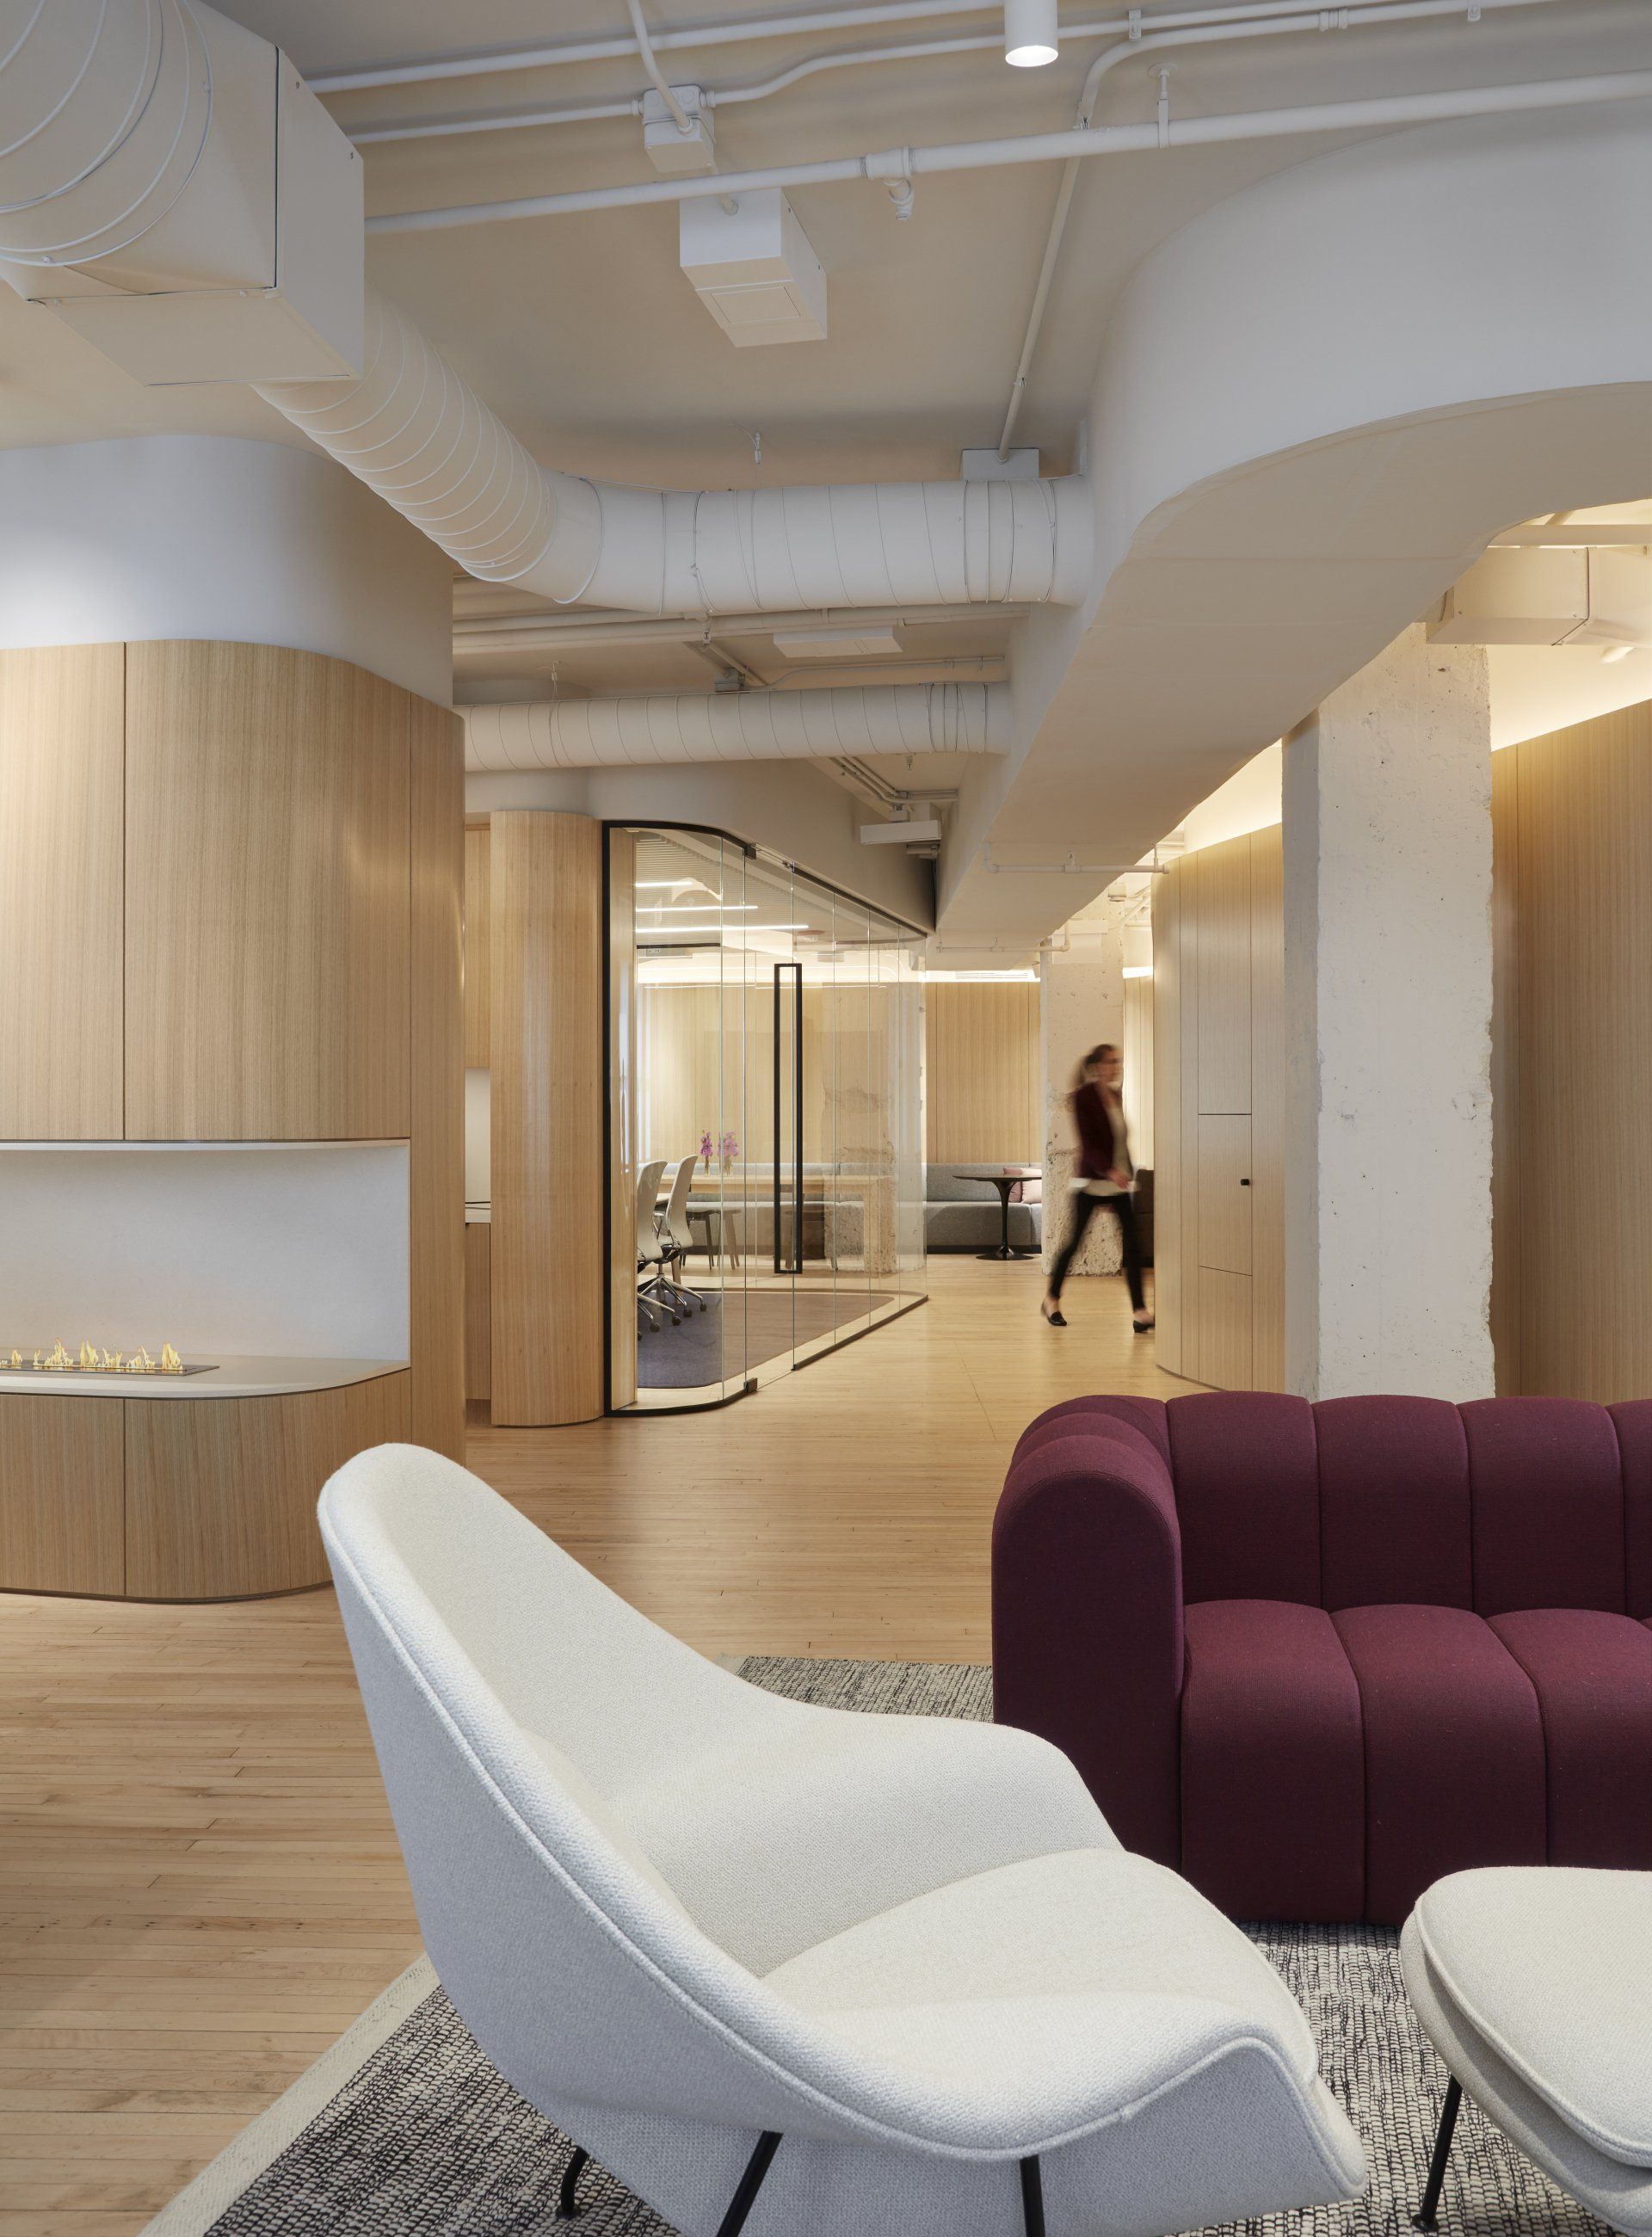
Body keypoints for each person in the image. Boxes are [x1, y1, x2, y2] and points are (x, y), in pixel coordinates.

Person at [1041, 1043, 1152, 1332]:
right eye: (1112, 1061)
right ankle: (1052, 1299)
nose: (1117, 1066)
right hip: (1091, 1182)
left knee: (1133, 1247)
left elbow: (1121, 1140)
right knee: (1074, 1244)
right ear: (1097, 1066)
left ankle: (1140, 1311)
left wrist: (1125, 1172)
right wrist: (1109, 1170)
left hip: (1118, 1184)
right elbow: (1089, 1144)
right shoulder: (1083, 1098)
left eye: (1119, 1061)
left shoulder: (1115, 1096)